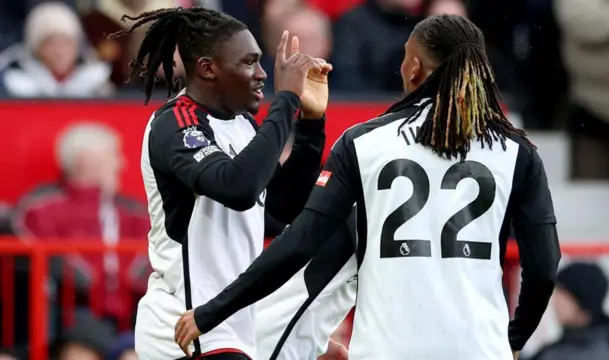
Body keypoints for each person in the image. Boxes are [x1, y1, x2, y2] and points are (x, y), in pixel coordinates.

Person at [174, 14, 562, 360]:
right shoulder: (516, 151)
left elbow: (299, 245)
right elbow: (543, 267)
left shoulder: (363, 143)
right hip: (481, 349)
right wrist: (513, 337)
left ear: (412, 68)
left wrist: (214, 311)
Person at [111, 6, 336, 360]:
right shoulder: (176, 123)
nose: (262, 74)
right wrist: (286, 99)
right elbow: (237, 188)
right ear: (208, 68)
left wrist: (310, 122)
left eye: (260, 62)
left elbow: (279, 208)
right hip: (183, 320)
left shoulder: (243, 124)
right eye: (249, 63)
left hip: (228, 319)